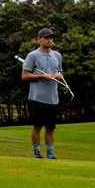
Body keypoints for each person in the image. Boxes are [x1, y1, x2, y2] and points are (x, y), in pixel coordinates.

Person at [21, 27, 64, 159]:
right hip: (38, 97)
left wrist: (59, 76)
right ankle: (37, 153)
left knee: (50, 128)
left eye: (51, 38)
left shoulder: (57, 55)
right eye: (46, 38)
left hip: (53, 98)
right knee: (37, 126)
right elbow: (25, 76)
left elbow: (60, 72)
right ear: (39, 39)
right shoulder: (32, 55)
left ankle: (50, 153)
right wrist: (41, 77)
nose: (49, 40)